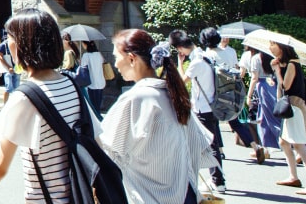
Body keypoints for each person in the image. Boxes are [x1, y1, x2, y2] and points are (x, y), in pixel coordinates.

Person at [0, 8, 96, 204]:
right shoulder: (72, 85)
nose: (7, 43)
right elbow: (96, 141)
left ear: (24, 43)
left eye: (10, 37)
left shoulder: (24, 97)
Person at [101, 29, 218, 204]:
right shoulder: (174, 95)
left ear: (132, 58)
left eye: (116, 57)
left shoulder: (135, 98)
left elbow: (107, 151)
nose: (116, 64)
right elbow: (196, 147)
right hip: (185, 194)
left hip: (150, 196)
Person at [170, 29, 226, 193]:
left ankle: (218, 181)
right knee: (211, 143)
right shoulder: (206, 56)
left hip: (203, 108)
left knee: (209, 144)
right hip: (212, 104)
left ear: (181, 47)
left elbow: (181, 82)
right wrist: (181, 63)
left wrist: (179, 64)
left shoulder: (197, 62)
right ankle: (216, 179)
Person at [270, 41, 306, 195]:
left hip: (295, 108)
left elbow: (285, 86)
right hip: (291, 108)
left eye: (273, 45)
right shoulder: (287, 64)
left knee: (299, 146)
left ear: (282, 47)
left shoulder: (292, 64)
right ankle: (293, 177)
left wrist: (277, 71)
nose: (270, 48)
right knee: (284, 142)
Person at [200, 28, 260, 157]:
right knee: (234, 120)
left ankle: (220, 151)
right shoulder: (228, 52)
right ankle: (255, 146)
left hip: (215, 91)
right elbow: (235, 69)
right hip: (230, 89)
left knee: (214, 122)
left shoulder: (207, 55)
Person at [241, 46, 280, 162]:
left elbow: (254, 78)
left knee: (263, 119)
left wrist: (248, 96)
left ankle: (270, 147)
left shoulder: (256, 58)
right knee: (267, 118)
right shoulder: (272, 57)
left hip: (261, 87)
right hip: (272, 85)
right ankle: (266, 148)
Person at [80, 40, 107, 115]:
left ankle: (97, 118)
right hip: (101, 82)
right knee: (98, 103)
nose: (82, 45)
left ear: (86, 45)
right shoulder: (98, 54)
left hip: (92, 83)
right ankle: (99, 117)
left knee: (93, 105)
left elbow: (82, 67)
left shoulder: (86, 55)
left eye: (83, 44)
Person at [0, 39, 21, 105]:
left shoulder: (18, 43)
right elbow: (0, 56)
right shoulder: (4, 44)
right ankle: (5, 105)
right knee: (8, 88)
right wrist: (8, 67)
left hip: (16, 69)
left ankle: (15, 104)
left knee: (17, 89)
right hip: (7, 70)